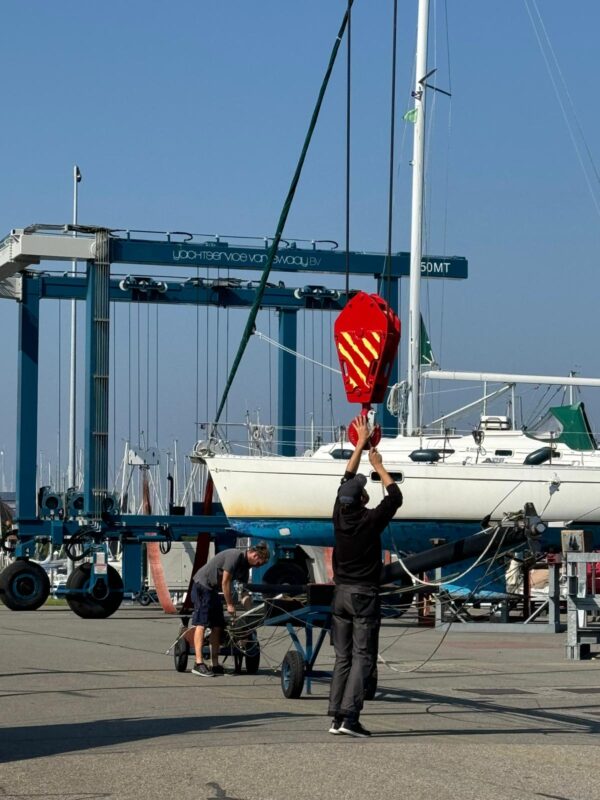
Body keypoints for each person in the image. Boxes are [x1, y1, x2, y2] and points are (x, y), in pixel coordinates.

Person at [327, 415, 403, 737]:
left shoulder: (339, 515)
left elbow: (346, 476)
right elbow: (395, 498)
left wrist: (359, 443)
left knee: (342, 657)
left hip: (340, 595)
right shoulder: (370, 520)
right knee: (362, 657)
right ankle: (350, 717)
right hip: (363, 595)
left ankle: (334, 718)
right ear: (361, 500)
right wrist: (379, 465)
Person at [185, 542, 270, 676]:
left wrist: (250, 614)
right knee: (202, 623)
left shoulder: (244, 570)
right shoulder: (235, 556)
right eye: (259, 563)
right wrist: (230, 604)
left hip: (212, 590)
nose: (258, 566)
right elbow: (225, 582)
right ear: (254, 555)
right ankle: (198, 663)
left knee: (218, 625)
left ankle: (215, 664)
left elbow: (244, 593)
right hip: (202, 585)